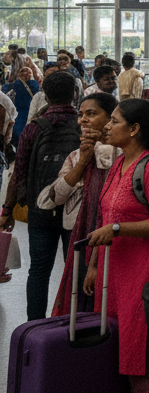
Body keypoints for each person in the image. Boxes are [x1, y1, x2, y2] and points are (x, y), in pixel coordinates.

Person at [83, 99, 149, 390]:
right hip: (112, 273)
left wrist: (118, 229)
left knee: (143, 350)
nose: (106, 126)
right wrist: (93, 265)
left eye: (114, 121)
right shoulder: (119, 163)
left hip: (142, 274)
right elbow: (104, 217)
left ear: (134, 129)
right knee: (117, 346)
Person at [1, 71, 81, 320]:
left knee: (39, 272)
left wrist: (8, 210)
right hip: (76, 211)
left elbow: (19, 173)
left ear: (45, 94)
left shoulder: (33, 129)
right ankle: (73, 324)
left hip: (40, 209)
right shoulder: (83, 126)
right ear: (75, 94)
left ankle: (34, 327)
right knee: (76, 271)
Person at [38, 92, 120, 315]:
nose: (83, 120)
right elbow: (52, 198)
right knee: (80, 300)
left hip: (115, 239)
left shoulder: (123, 154)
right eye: (81, 115)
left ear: (110, 119)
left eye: (91, 114)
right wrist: (84, 160)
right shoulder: (76, 156)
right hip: (79, 237)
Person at [2, 63, 40, 141]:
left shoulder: (33, 85)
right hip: (24, 114)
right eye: (22, 72)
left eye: (28, 72)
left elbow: (5, 90)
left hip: (22, 115)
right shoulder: (35, 85)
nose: (25, 74)